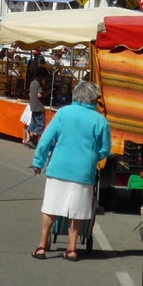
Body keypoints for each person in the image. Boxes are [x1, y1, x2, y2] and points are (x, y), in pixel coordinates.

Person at [31, 81, 110, 261]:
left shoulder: (63, 113)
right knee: (77, 211)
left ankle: (42, 246)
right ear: (93, 99)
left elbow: (46, 139)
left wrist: (38, 162)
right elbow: (105, 149)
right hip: (83, 172)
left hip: (58, 168)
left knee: (50, 208)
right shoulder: (100, 120)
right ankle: (72, 249)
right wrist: (91, 157)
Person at [24, 67, 49, 147]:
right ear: (42, 76)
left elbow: (30, 94)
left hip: (33, 105)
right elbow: (39, 95)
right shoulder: (39, 83)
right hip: (39, 106)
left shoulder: (32, 82)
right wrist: (48, 92)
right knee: (40, 124)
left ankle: (30, 139)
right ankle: (32, 139)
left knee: (33, 123)